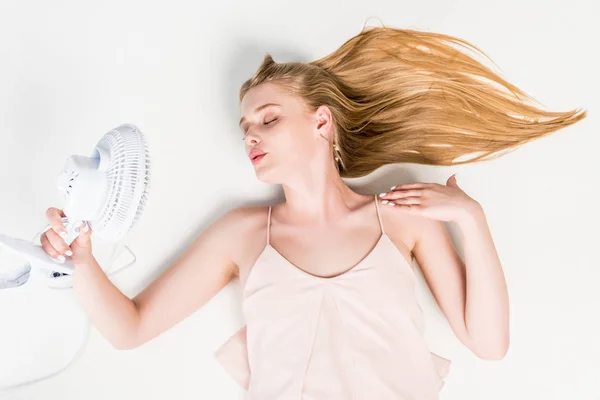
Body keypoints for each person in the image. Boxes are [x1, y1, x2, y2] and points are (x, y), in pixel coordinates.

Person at [40, 25, 586, 400]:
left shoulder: (402, 215)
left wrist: (472, 218)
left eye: (269, 119)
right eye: (246, 128)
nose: (251, 135)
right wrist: (83, 263)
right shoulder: (242, 234)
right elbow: (129, 329)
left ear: (322, 123)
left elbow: (489, 344)